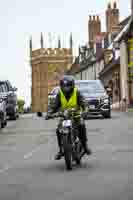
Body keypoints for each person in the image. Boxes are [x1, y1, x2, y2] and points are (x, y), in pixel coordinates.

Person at [46, 76, 92, 160]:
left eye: (68, 86)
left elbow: (84, 103)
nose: (66, 88)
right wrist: (49, 113)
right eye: (64, 86)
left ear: (72, 85)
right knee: (58, 130)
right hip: (64, 117)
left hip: (76, 116)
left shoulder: (77, 92)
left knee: (81, 125)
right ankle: (61, 150)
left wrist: (85, 110)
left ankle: (85, 146)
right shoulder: (60, 94)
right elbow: (54, 106)